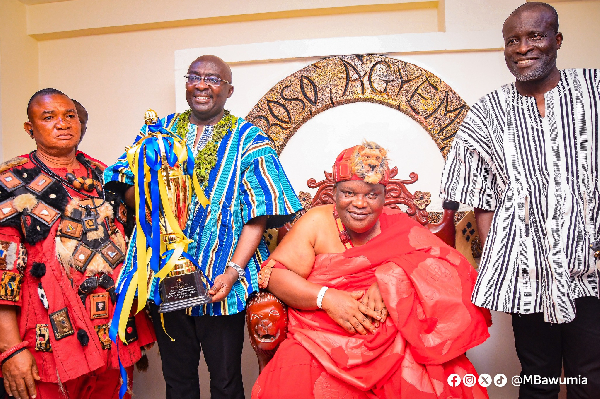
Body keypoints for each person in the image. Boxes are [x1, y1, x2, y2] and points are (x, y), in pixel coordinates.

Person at [104, 55, 302, 399]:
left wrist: (234, 272)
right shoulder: (158, 130)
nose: (201, 85)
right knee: (178, 382)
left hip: (220, 281)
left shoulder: (249, 138)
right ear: (186, 83)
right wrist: (154, 190)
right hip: (165, 276)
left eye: (212, 79)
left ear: (228, 90)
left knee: (226, 382)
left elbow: (259, 213)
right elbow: (124, 183)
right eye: (194, 76)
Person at [440, 3, 600, 398]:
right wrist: (504, 258)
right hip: (528, 272)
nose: (523, 47)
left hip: (591, 269)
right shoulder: (486, 112)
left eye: (535, 36)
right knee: (538, 374)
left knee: (591, 374)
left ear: (557, 40)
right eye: (513, 40)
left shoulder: (595, 92)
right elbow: (481, 197)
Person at [252, 142, 491, 399]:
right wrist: (327, 298)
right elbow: (275, 274)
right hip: (321, 336)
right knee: (293, 371)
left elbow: (452, 269)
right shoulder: (317, 222)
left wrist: (394, 275)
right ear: (334, 193)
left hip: (393, 338)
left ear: (384, 195)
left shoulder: (398, 225)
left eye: (371, 195)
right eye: (348, 193)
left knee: (432, 372)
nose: (359, 204)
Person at [0, 88, 154, 399]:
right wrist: (10, 349)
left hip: (111, 330)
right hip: (46, 337)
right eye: (49, 117)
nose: (63, 123)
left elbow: (134, 242)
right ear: (30, 129)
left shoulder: (104, 174)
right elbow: (3, 273)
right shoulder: (10, 180)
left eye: (70, 115)